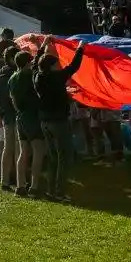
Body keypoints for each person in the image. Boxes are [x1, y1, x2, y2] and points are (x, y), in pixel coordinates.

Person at [34, 37, 87, 202]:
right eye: (56, 64)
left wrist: (44, 45)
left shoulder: (37, 76)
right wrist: (80, 48)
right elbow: (74, 66)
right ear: (51, 66)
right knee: (64, 155)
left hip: (44, 121)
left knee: (53, 157)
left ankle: (51, 189)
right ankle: (60, 191)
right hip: (58, 121)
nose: (59, 66)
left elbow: (36, 62)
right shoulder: (56, 77)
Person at [9, 49, 46, 198]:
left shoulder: (12, 78)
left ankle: (20, 185)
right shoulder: (28, 75)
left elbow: (12, 97)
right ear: (26, 63)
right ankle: (35, 186)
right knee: (38, 149)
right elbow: (37, 66)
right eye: (30, 61)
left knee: (23, 152)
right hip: (31, 116)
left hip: (20, 116)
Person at [0, 48, 19, 193]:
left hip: (5, 116)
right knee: (18, 149)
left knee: (8, 149)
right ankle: (19, 181)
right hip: (14, 115)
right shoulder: (14, 74)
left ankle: (5, 180)